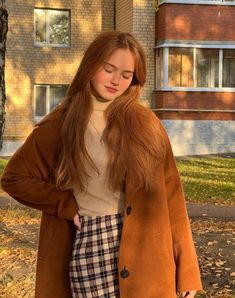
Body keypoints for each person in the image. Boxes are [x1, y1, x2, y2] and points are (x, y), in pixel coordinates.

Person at [1, 31, 203, 298]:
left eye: (126, 74)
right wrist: (64, 205)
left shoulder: (147, 125)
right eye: (109, 69)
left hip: (148, 251)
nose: (116, 81)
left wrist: (187, 269)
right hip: (91, 245)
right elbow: (14, 178)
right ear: (91, 64)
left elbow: (172, 197)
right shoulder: (59, 126)